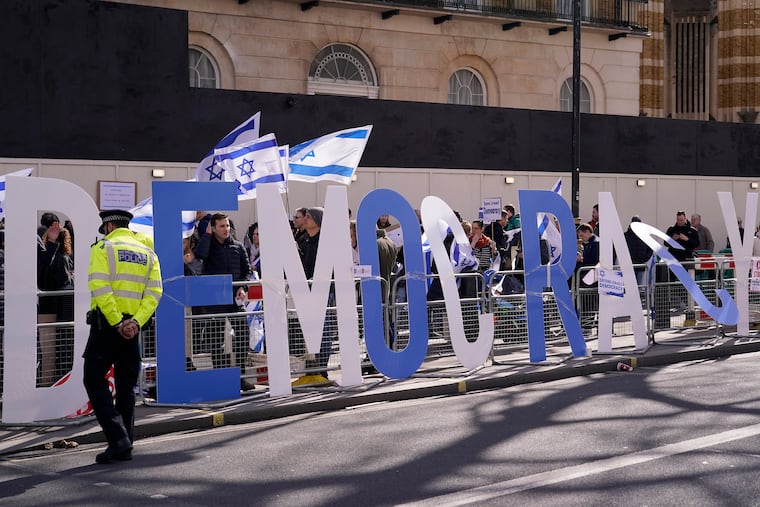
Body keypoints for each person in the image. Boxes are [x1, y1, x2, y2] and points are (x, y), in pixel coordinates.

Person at [83, 209, 162, 464]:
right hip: (132, 329)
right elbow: (154, 293)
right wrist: (135, 323)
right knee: (126, 386)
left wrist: (117, 321)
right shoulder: (148, 253)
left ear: (108, 227)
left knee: (94, 379)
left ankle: (118, 438)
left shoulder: (103, 247)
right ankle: (125, 443)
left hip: (108, 325)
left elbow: (100, 286)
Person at [194, 212, 254, 391]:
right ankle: (221, 377)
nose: (226, 229)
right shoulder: (208, 245)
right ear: (213, 228)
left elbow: (247, 272)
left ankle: (240, 376)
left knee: (242, 336)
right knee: (215, 339)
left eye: (227, 225)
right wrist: (207, 236)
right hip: (214, 301)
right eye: (221, 226)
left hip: (235, 301)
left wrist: (243, 288)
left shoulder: (238, 247)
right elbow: (200, 255)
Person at [37, 212, 74, 386]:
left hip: (54, 307)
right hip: (54, 307)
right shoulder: (54, 255)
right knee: (52, 351)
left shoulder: (61, 256)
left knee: (51, 352)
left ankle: (48, 385)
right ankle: (49, 385)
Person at [575, 223, 599, 330]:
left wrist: (581, 260)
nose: (581, 238)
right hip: (588, 276)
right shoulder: (590, 243)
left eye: (581, 235)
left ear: (588, 232)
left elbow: (594, 260)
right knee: (587, 300)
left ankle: (588, 323)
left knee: (589, 300)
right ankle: (587, 322)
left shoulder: (595, 243)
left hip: (591, 276)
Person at [624, 216, 653, 286]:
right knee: (631, 286)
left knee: (638, 286)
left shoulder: (644, 236)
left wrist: (644, 259)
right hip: (631, 266)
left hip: (639, 265)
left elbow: (650, 249)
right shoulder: (626, 236)